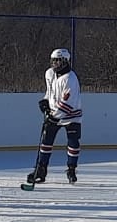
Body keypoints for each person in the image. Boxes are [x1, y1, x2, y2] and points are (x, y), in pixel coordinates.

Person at [26, 48, 83, 185]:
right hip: (54, 113)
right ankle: (41, 169)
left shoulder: (71, 79)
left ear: (65, 61)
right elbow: (50, 92)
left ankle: (71, 169)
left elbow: (67, 104)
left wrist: (53, 116)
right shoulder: (49, 74)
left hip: (71, 116)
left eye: (58, 60)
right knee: (46, 141)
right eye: (54, 60)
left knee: (73, 142)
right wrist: (45, 101)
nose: (55, 64)